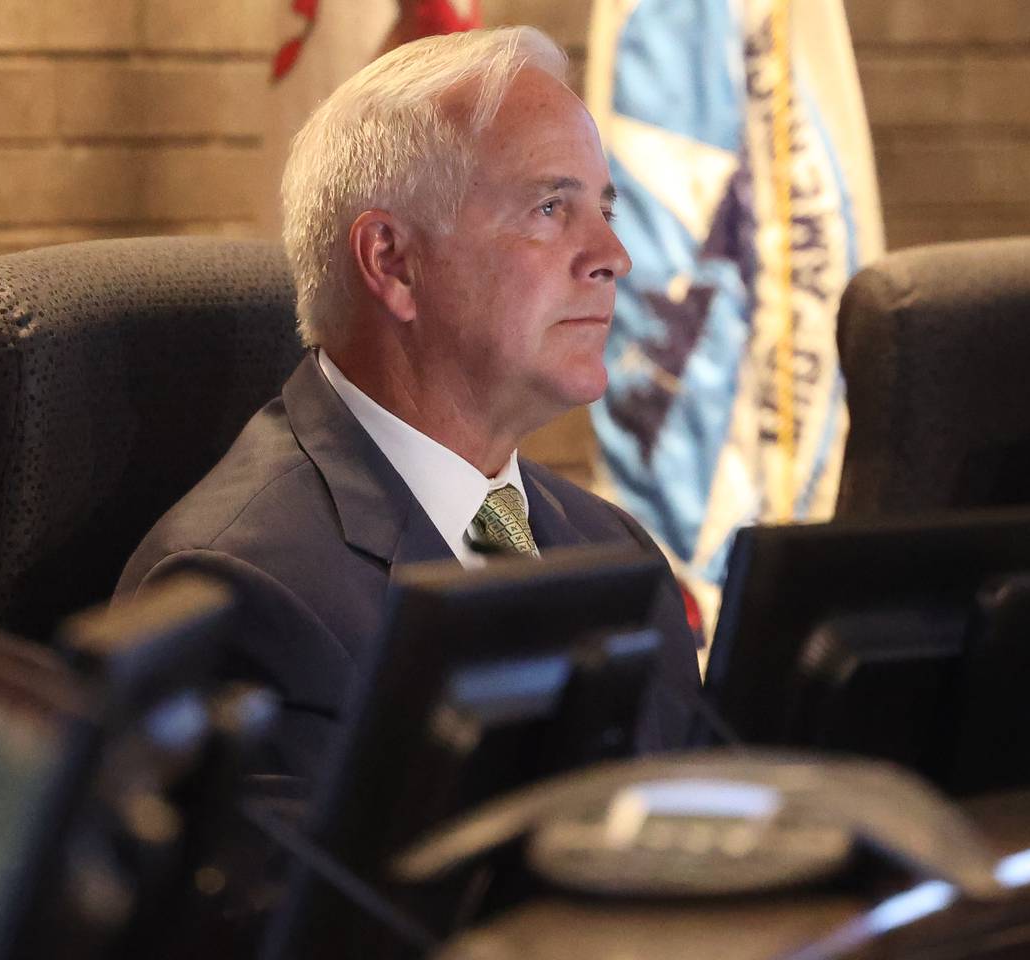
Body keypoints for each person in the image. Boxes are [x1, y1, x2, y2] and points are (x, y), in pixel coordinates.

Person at [117, 26, 701, 781]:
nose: (612, 257)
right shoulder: (239, 591)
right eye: (551, 208)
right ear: (393, 262)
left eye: (606, 211)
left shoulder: (615, 550)